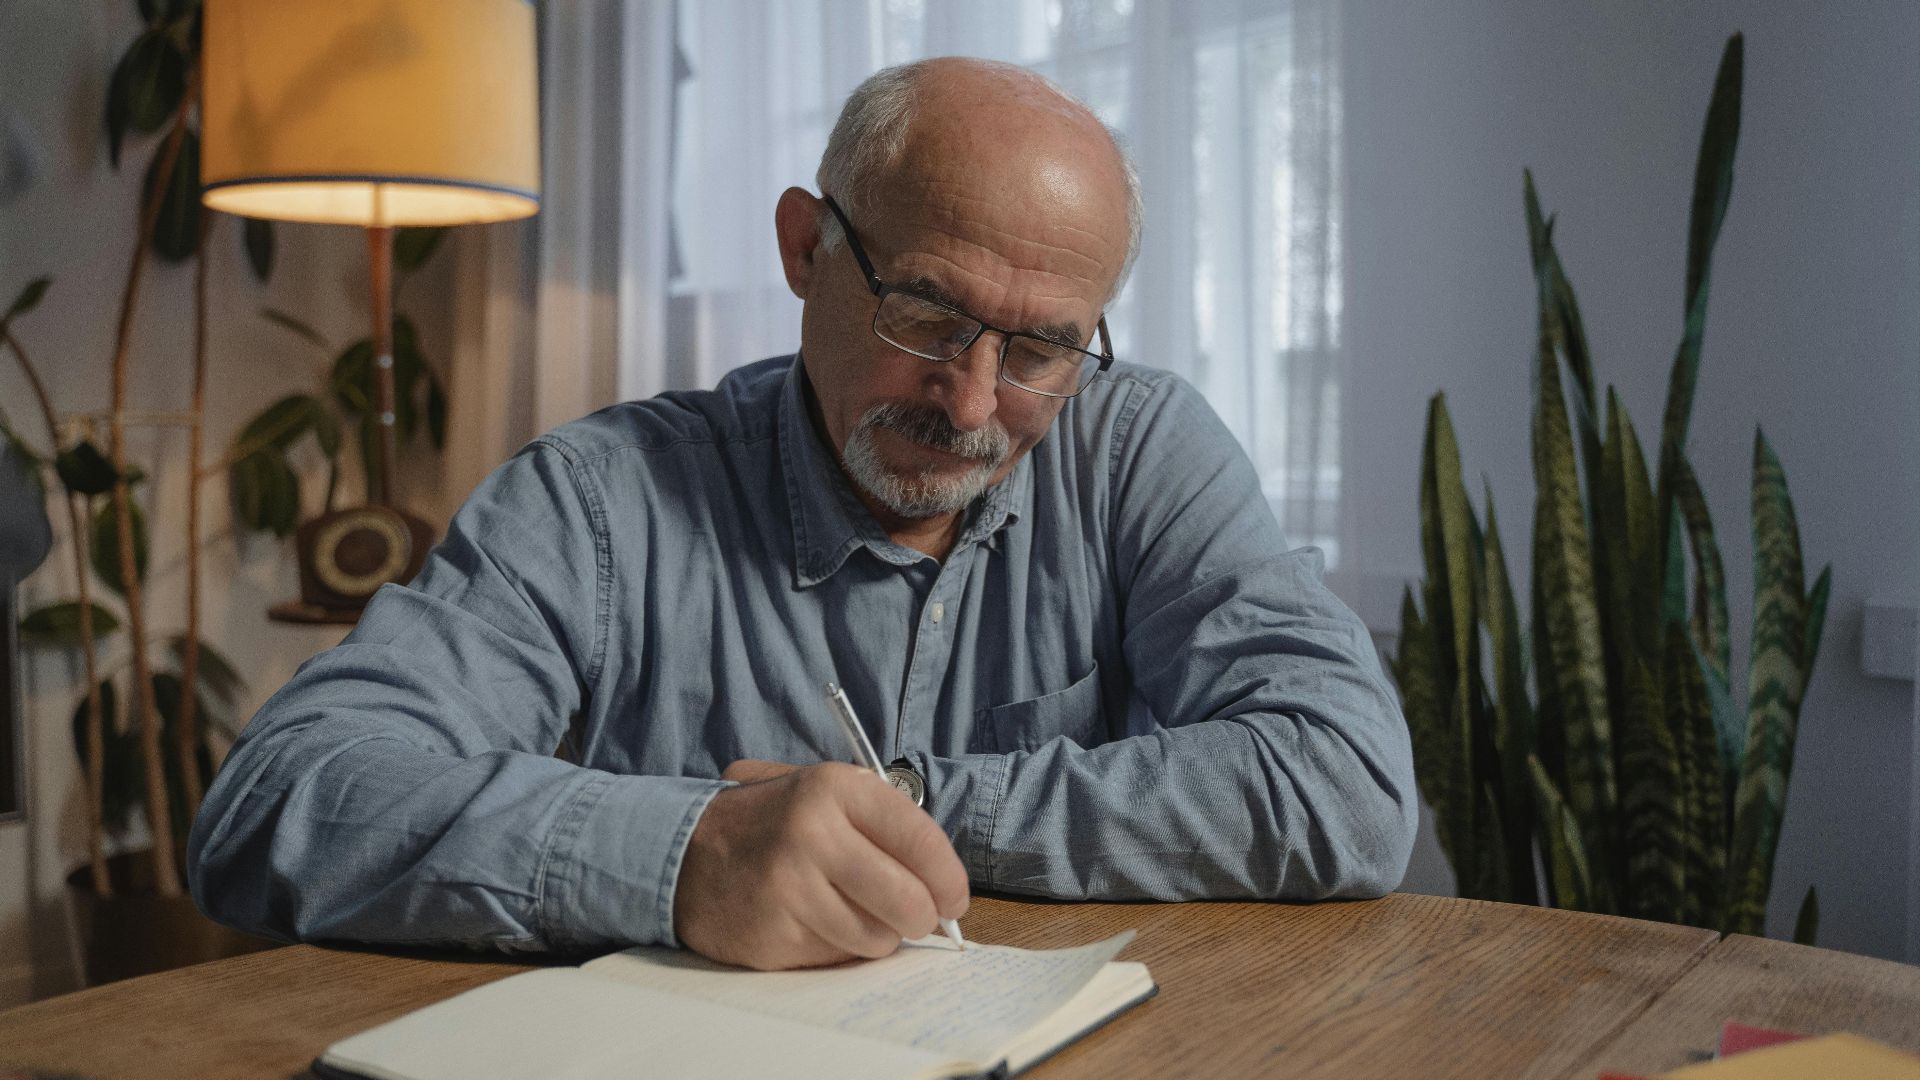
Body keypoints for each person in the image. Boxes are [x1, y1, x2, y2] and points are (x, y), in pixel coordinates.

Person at [188, 57, 1416, 972]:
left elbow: (1349, 783)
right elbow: (280, 802)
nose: (974, 400)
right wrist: (687, 855)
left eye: (1041, 345)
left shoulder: (1133, 444)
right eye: (927, 315)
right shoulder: (600, 500)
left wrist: (920, 808)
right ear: (803, 247)